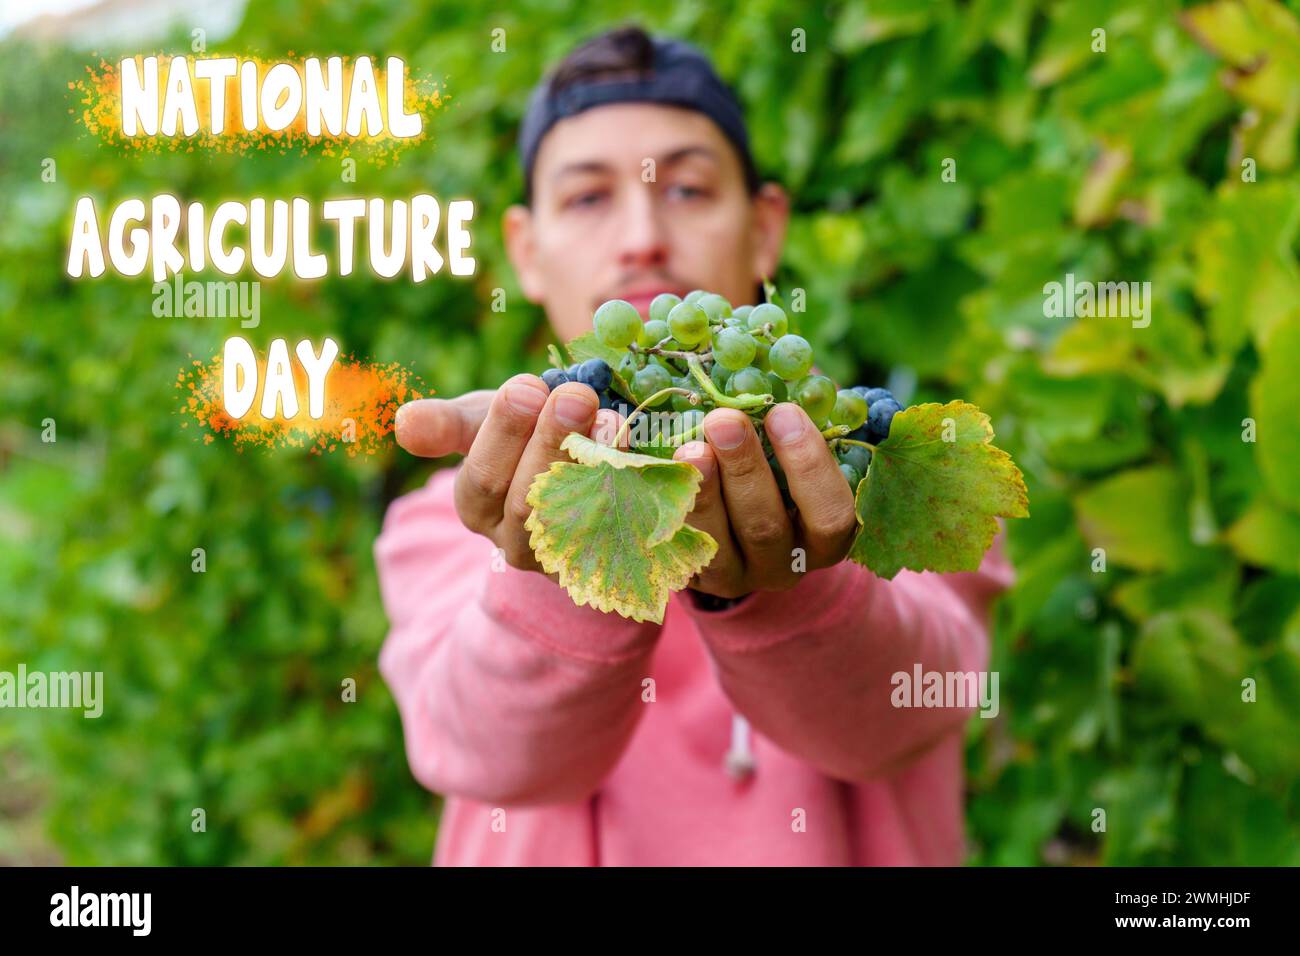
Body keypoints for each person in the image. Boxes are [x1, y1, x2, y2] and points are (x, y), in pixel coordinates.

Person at [376, 25, 1013, 866]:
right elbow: (485, 755)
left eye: (686, 189)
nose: (641, 234)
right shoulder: (447, 521)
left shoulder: (883, 464)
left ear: (766, 228)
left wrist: (783, 589)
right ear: (525, 253)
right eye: (588, 198)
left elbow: (909, 715)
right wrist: (570, 547)